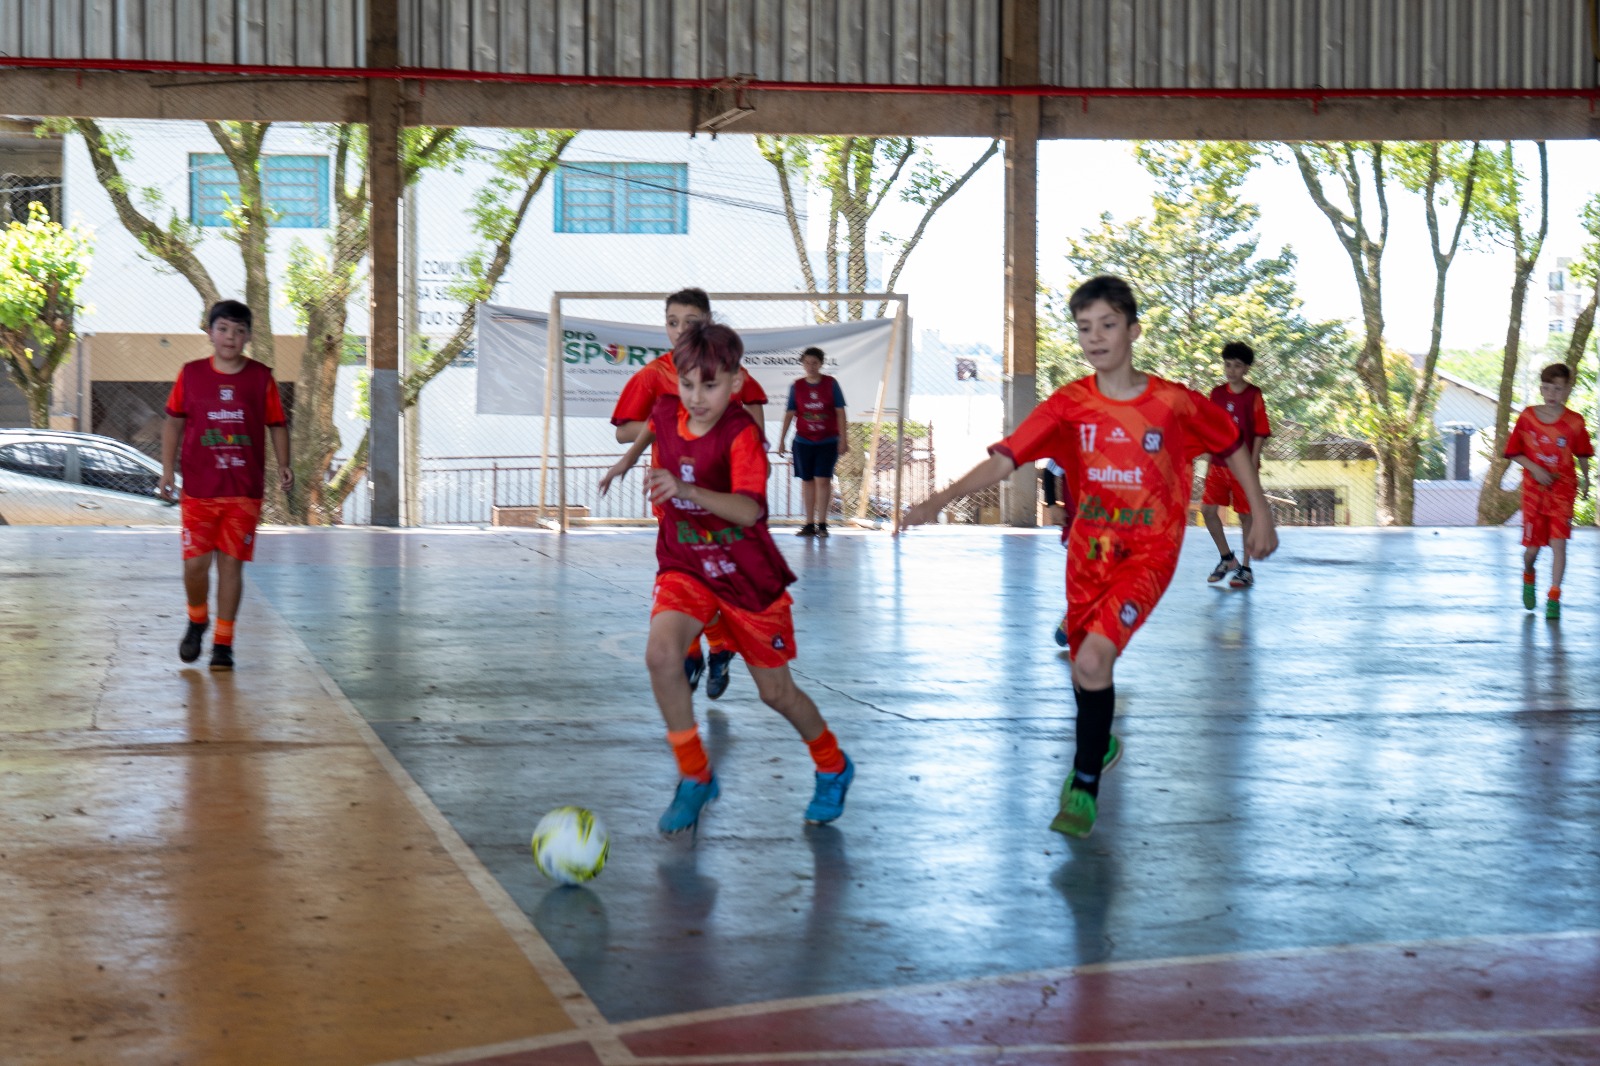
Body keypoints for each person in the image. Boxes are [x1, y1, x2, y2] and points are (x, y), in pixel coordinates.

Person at [903, 275, 1277, 838]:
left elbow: (1230, 446)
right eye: (1084, 328)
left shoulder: (1172, 403)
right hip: (1088, 556)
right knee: (1085, 670)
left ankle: (1082, 787)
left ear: (1132, 330)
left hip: (1149, 554)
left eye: (1107, 325)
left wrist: (1262, 513)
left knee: (1093, 662)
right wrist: (940, 497)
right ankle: (1099, 742)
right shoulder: (1069, 405)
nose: (1095, 337)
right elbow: (1007, 460)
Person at [642, 321, 853, 835]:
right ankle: (695, 775)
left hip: (746, 576)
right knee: (662, 654)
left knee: (776, 694)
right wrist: (632, 462)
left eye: (710, 385)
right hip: (687, 564)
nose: (697, 397)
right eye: (687, 384)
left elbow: (747, 511)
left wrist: (686, 491)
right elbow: (646, 429)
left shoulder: (741, 435)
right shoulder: (667, 414)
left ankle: (832, 763)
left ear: (736, 384)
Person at [601, 288, 769, 699]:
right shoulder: (656, 375)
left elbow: (756, 422)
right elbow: (626, 429)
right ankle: (699, 651)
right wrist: (665, 423)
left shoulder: (730, 373)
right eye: (672, 322)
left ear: (709, 324)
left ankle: (720, 647)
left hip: (720, 496)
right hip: (674, 497)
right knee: (681, 579)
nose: (679, 330)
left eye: (690, 323)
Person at [159, 300, 293, 672]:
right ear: (209, 332)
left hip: (243, 491)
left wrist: (285, 463)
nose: (230, 337)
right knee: (196, 566)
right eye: (223, 329)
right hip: (200, 489)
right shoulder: (191, 375)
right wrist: (167, 470)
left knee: (231, 567)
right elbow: (173, 422)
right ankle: (197, 618)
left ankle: (223, 642)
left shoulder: (261, 378)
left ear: (248, 336)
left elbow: (278, 424)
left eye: (238, 331)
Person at [1507, 363, 1593, 620]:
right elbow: (1514, 452)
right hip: (1535, 492)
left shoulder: (1575, 422)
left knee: (1559, 545)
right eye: (1546, 387)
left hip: (1563, 491)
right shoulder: (1528, 417)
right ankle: (1528, 574)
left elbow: (1583, 454)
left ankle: (1554, 596)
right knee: (1532, 551)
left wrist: (1587, 480)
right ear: (1541, 389)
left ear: (1567, 389)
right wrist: (1535, 469)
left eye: (1557, 388)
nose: (1551, 393)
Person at [1200, 342, 1273, 588]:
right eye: (1227, 365)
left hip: (1243, 466)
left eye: (1237, 366)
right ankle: (1227, 559)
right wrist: (1207, 462)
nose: (1231, 370)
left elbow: (1261, 431)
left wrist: (1252, 464)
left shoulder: (1254, 394)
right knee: (1208, 511)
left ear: (1246, 368)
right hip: (1219, 464)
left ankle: (1246, 568)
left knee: (1245, 516)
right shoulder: (1217, 394)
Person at [777, 346, 849, 537]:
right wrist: (782, 440)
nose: (810, 366)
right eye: (807, 363)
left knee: (823, 480)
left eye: (814, 363)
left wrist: (843, 439)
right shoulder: (796, 386)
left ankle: (823, 524)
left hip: (827, 441)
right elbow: (790, 413)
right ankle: (809, 524)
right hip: (803, 441)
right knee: (807, 481)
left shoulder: (831, 384)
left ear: (821, 364)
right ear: (803, 364)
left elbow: (840, 412)